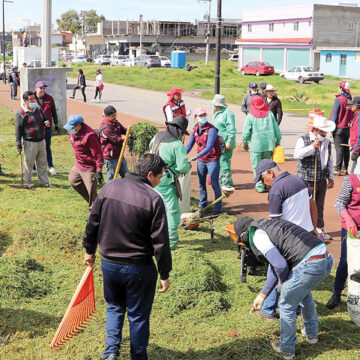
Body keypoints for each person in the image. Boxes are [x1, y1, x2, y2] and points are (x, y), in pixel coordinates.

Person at [82, 153, 172, 360]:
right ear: (150, 175)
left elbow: (92, 221)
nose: (160, 181)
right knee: (138, 315)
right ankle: (138, 356)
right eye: (160, 176)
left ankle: (111, 353)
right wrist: (164, 273)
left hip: (109, 264)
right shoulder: (153, 199)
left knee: (114, 307)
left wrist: (89, 250)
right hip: (139, 268)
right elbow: (161, 242)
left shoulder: (110, 187)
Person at [235, 216, 333, 360]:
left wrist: (282, 284)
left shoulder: (257, 236)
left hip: (309, 264)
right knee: (304, 295)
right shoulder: (269, 226)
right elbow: (277, 266)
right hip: (325, 258)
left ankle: (286, 349)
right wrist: (262, 295)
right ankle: (312, 335)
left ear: (244, 235)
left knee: (286, 305)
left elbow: (280, 266)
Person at [252, 159, 319, 320]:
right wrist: (314, 228)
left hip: (289, 240)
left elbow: (275, 225)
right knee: (297, 276)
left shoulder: (276, 190)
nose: (264, 184)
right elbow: (312, 205)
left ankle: (269, 309)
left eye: (262, 179)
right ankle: (292, 308)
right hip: (306, 238)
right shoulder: (299, 180)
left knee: (276, 269)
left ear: (270, 172)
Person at [151, 115, 191, 250]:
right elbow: (182, 167)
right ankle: (171, 242)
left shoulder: (157, 137)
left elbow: (151, 151)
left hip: (152, 179)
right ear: (179, 131)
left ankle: (152, 237)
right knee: (172, 211)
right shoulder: (177, 145)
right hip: (167, 182)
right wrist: (188, 166)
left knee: (153, 209)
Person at [294, 116, 335, 240]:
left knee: (319, 204)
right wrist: (312, 147)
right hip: (306, 179)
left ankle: (319, 229)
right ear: (315, 130)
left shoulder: (327, 142)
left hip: (321, 178)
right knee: (306, 205)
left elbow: (329, 160)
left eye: (326, 131)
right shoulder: (303, 139)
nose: (325, 134)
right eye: (323, 131)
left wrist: (331, 176)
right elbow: (297, 154)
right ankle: (305, 230)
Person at [327, 160, 360, 309]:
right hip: (350, 228)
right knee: (345, 261)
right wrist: (349, 220)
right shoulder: (351, 180)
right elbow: (339, 203)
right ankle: (337, 293)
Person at [241, 95, 281, 193]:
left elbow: (246, 132)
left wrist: (245, 143)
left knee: (256, 166)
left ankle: (259, 185)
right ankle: (268, 183)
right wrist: (278, 141)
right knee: (267, 166)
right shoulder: (270, 114)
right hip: (268, 145)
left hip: (256, 145)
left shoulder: (250, 116)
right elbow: (277, 130)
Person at [64, 114, 104, 211]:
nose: (70, 130)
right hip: (78, 165)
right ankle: (97, 203)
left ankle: (94, 215)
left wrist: (99, 170)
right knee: (73, 181)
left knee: (91, 192)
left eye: (72, 127)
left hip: (90, 168)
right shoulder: (72, 131)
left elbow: (98, 154)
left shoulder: (90, 135)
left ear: (79, 125)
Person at [186, 107, 222, 214]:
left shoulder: (212, 130)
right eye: (200, 116)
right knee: (201, 182)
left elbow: (209, 147)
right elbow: (189, 146)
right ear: (196, 117)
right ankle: (203, 203)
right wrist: (181, 154)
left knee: (214, 183)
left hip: (212, 159)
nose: (203, 118)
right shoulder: (195, 130)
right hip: (201, 160)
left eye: (204, 115)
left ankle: (218, 208)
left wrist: (196, 157)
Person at [15, 91, 53, 189]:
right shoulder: (21, 113)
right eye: (31, 99)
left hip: (41, 140)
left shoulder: (38, 109)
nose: (33, 101)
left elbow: (44, 119)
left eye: (33, 98)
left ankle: (44, 182)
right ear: (25, 101)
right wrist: (18, 144)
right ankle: (28, 182)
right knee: (29, 163)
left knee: (42, 163)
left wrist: (46, 122)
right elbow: (18, 130)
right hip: (29, 142)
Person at [35, 81, 59, 176]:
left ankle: (51, 166)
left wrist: (56, 125)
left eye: (44, 88)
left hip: (46, 127)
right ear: (36, 89)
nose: (42, 90)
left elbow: (54, 113)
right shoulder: (31, 98)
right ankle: (33, 167)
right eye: (40, 88)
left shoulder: (49, 98)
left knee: (47, 147)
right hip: (35, 128)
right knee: (34, 148)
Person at [99, 105, 129, 181]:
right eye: (112, 116)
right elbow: (116, 139)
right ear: (106, 116)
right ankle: (110, 191)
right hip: (111, 157)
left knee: (126, 174)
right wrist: (126, 137)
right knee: (112, 177)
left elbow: (123, 130)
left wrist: (130, 133)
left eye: (115, 115)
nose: (115, 117)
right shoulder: (106, 128)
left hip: (119, 154)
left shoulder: (115, 122)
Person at [212, 94, 237, 186]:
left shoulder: (227, 113)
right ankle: (222, 181)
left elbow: (231, 129)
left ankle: (226, 183)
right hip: (218, 143)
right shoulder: (217, 113)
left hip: (225, 143)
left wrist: (229, 141)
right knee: (219, 163)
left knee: (224, 163)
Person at [331, 81, 352, 176]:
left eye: (339, 87)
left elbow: (334, 115)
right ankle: (345, 168)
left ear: (341, 88)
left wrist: (331, 127)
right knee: (345, 147)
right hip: (348, 127)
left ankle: (338, 168)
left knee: (339, 147)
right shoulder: (350, 99)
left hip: (339, 127)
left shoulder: (339, 99)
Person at [348, 97, 360, 173]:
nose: (351, 106)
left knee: (353, 174)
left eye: (352, 105)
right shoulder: (356, 115)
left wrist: (355, 150)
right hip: (356, 147)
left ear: (356, 106)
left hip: (358, 148)